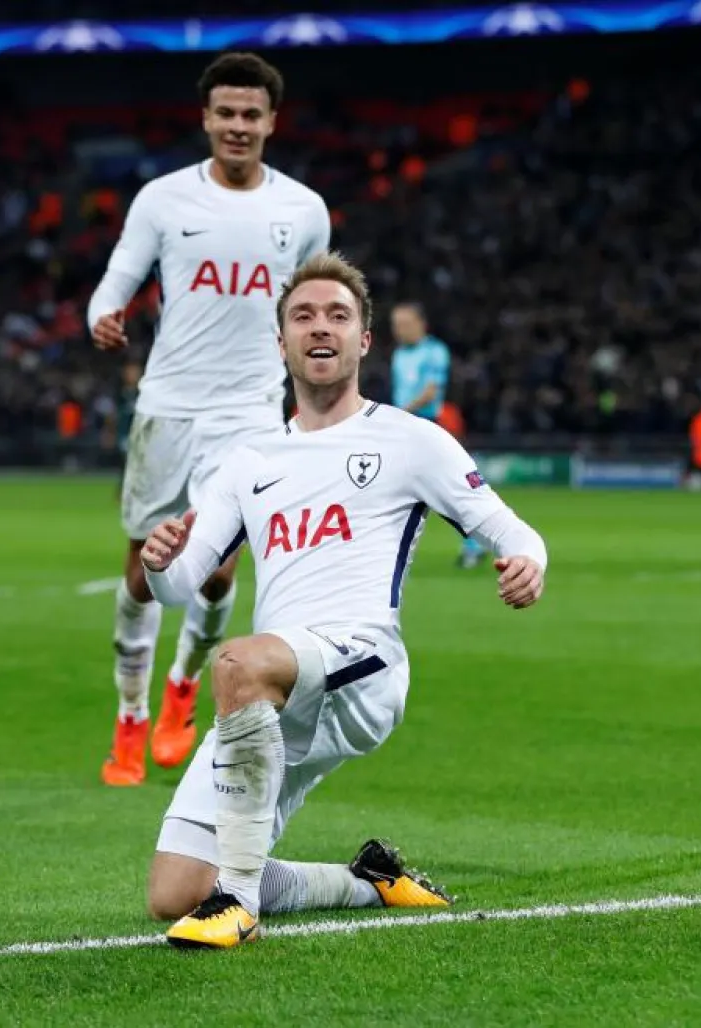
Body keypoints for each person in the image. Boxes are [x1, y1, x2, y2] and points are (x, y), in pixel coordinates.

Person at [139, 253, 549, 948]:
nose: (319, 328)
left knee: (236, 663)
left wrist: (528, 563)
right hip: (277, 691)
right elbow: (181, 586)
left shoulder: (412, 441)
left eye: (338, 316)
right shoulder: (248, 460)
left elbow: (513, 531)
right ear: (281, 344)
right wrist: (158, 565)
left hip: (362, 666)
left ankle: (237, 906)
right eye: (303, 316)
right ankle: (368, 881)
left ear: (364, 340)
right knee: (174, 891)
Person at [87, 52, 332, 786]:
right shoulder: (163, 200)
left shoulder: (303, 209)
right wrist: (104, 312)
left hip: (252, 410)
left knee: (220, 570)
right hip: (168, 408)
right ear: (205, 118)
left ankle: (183, 688)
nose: (237, 126)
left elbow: (316, 303)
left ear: (271, 122)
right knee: (143, 569)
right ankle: (129, 719)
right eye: (225, 113)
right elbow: (119, 275)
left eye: (250, 114)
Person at [391, 302, 483, 569]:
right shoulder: (399, 354)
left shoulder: (434, 352)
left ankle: (475, 544)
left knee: (444, 491)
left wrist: (399, 412)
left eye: (404, 324)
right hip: (402, 428)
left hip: (426, 426)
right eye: (396, 325)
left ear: (421, 324)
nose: (399, 330)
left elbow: (431, 392)